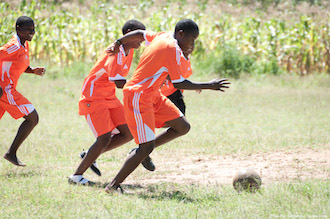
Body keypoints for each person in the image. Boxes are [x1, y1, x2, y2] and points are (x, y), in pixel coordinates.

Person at [105, 19, 230, 193]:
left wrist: (118, 42)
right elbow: (179, 83)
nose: (193, 43)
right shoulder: (171, 49)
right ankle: (113, 186)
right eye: (192, 39)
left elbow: (140, 34)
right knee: (145, 146)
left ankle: (142, 150)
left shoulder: (162, 35)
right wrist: (210, 85)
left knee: (182, 126)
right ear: (180, 33)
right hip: (139, 95)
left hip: (153, 94)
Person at [68, 20, 149, 185]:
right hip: (93, 97)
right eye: (139, 35)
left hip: (109, 96)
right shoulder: (115, 51)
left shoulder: (129, 50)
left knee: (128, 132)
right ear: (129, 33)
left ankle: (89, 155)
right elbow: (119, 82)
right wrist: (143, 88)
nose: (143, 39)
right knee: (104, 138)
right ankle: (75, 177)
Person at [0, 16, 46, 166]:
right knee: (33, 117)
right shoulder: (13, 45)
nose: (32, 32)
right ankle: (11, 153)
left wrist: (32, 71)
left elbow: (15, 63)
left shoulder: (23, 44)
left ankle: (11, 153)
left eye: (33, 29)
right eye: (28, 30)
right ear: (18, 29)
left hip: (5, 89)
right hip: (5, 90)